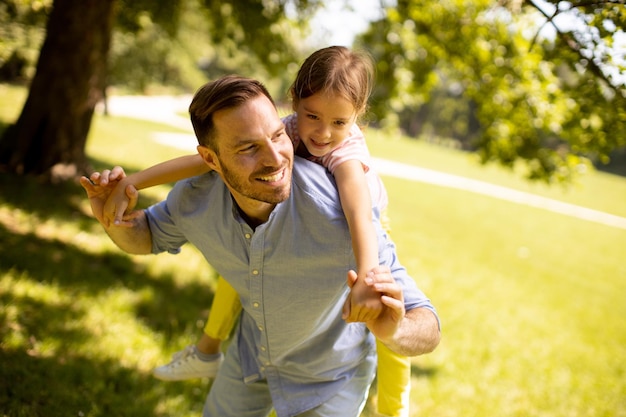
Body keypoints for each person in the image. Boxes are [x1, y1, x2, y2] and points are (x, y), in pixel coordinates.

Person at [81, 74, 440, 417]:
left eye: (277, 136)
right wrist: (116, 221)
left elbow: (427, 323)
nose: (275, 158)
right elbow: (147, 237)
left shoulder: (337, 214)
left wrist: (395, 331)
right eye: (249, 148)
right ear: (210, 160)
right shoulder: (195, 197)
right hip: (250, 359)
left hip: (330, 379)